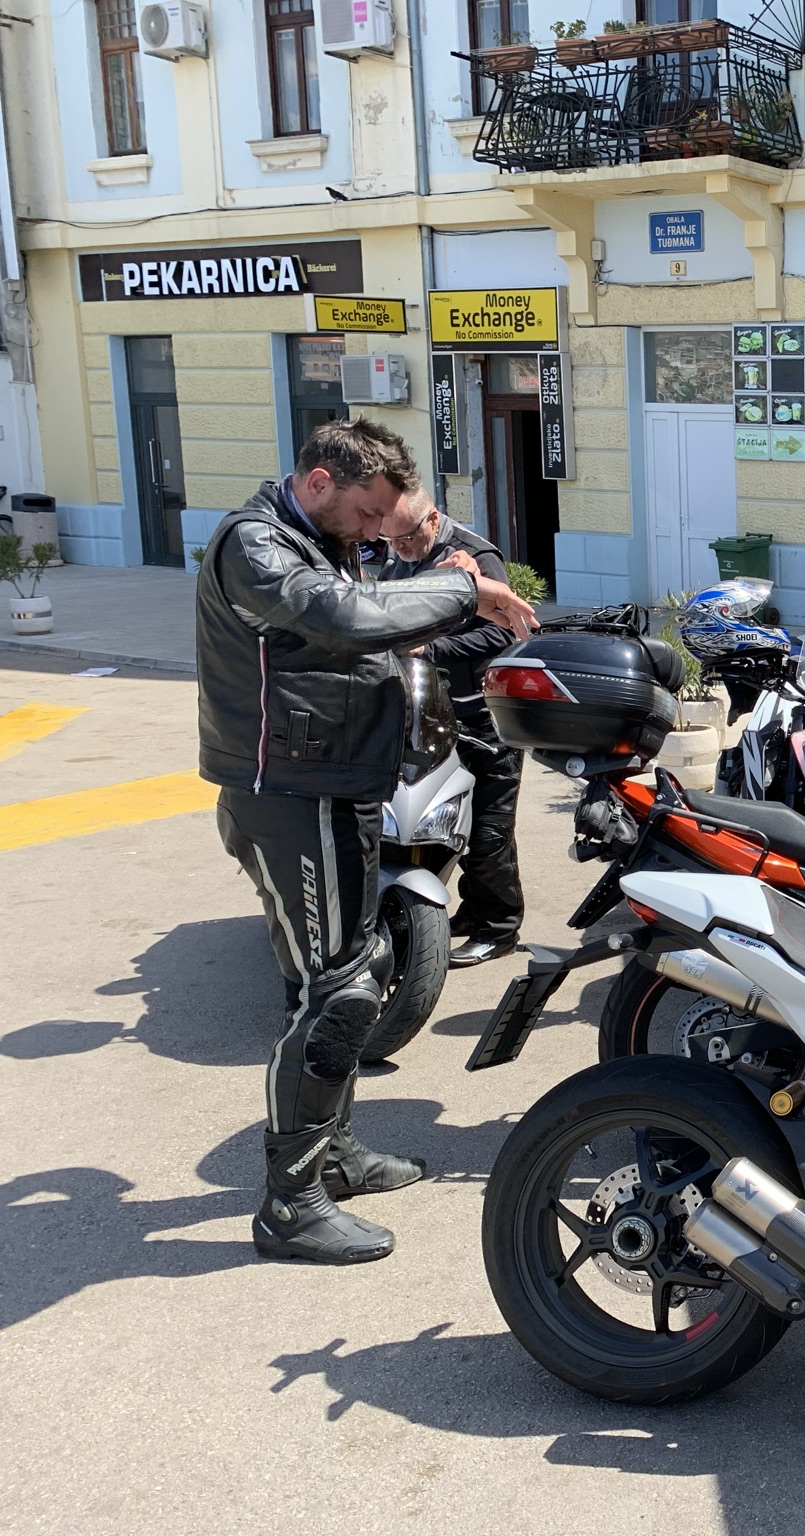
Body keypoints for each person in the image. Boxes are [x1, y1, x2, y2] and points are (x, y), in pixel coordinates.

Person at [196, 419, 536, 1265]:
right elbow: (342, 618)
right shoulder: (255, 546)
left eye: (385, 516)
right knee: (336, 995)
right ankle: (291, 1203)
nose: (378, 530)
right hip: (289, 794)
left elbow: (370, 631)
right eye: (368, 511)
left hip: (340, 783)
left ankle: (335, 1156)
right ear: (319, 482)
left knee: (360, 971)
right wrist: (464, 588)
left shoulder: (325, 541)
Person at [380, 489, 526, 966]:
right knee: (444, 823)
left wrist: (431, 650)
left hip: (485, 719)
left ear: (432, 519)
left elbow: (503, 631)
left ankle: (499, 929)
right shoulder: (399, 556)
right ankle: (471, 910)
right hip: (431, 715)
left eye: (405, 537)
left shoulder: (476, 555)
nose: (398, 548)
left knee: (487, 833)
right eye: (388, 540)